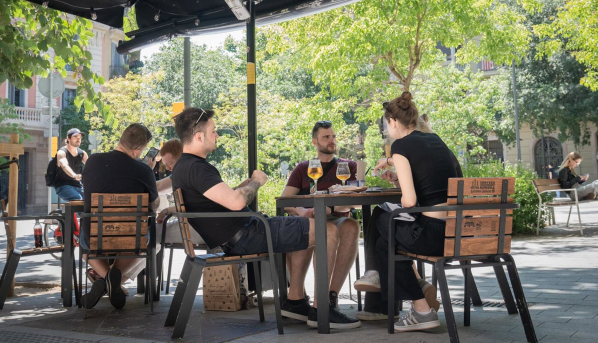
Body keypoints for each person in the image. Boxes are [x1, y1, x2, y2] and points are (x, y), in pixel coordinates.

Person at [171, 108, 360, 329]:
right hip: (248, 235)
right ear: (198, 136)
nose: (217, 135)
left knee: (305, 227)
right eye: (213, 131)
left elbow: (222, 199)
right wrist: (257, 181)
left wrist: (243, 185)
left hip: (241, 234)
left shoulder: (185, 167)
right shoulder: (197, 168)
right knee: (326, 230)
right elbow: (236, 202)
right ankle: (322, 311)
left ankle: (295, 302)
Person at [355, 92, 458, 332]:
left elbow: (409, 201)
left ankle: (375, 273)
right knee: (384, 246)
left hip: (431, 236)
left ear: (392, 122)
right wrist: (396, 171)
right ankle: (421, 310)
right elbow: (433, 183)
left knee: (381, 215)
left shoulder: (400, 146)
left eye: (386, 125)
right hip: (455, 232)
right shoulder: (436, 140)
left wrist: (395, 167)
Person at [281, 121, 360, 314]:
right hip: (309, 218)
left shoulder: (348, 166)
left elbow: (358, 202)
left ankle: (330, 297)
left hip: (337, 218)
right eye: (326, 137)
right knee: (305, 225)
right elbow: (284, 202)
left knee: (351, 226)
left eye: (333, 136)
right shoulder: (303, 168)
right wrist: (301, 211)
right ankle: (297, 299)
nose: (332, 140)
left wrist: (330, 209)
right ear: (315, 142)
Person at [80, 123, 160, 310]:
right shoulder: (144, 171)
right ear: (137, 150)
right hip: (132, 238)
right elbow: (154, 206)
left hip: (94, 236)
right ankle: (112, 280)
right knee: (141, 239)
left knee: (83, 241)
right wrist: (148, 171)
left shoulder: (92, 161)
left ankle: (106, 280)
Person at [152, 139, 204, 246]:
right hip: (194, 223)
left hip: (198, 226)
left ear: (182, 159)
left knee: (148, 234)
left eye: (170, 163)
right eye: (165, 164)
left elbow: (195, 206)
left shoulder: (186, 173)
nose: (167, 168)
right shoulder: (191, 169)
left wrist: (166, 211)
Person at [54, 128, 88, 202]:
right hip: (63, 185)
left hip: (78, 186)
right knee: (78, 199)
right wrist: (74, 175)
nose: (78, 139)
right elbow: (65, 166)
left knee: (91, 200)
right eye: (75, 137)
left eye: (80, 137)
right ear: (68, 139)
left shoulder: (82, 153)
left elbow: (91, 167)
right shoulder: (62, 152)